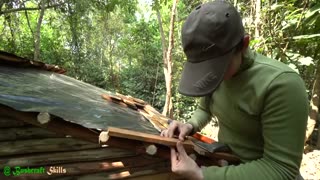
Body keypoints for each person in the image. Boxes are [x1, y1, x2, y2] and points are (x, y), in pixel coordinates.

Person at [160, 0, 309, 180]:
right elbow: (205, 109)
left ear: (244, 44)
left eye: (218, 67)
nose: (213, 76)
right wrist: (190, 125)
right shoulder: (216, 75)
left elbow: (281, 169)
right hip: (228, 162)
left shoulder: (281, 84)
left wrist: (201, 175)